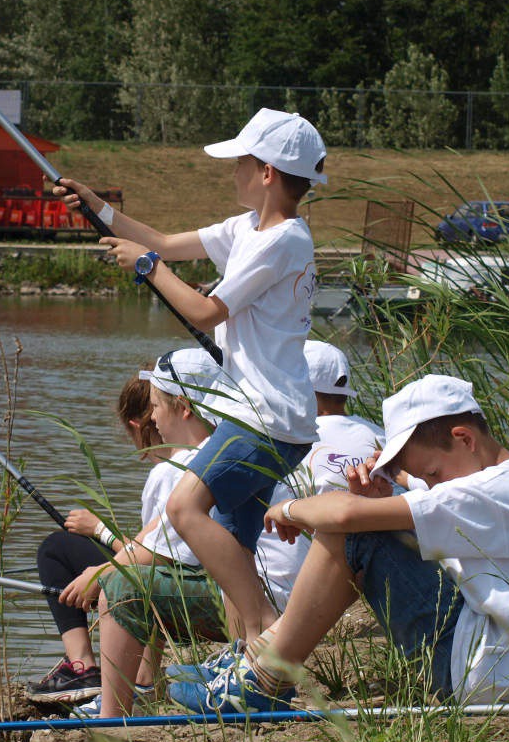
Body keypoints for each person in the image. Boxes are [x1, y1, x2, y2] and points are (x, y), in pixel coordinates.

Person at [54, 108, 327, 649]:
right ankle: (245, 655)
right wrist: (98, 206)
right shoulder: (247, 229)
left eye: (241, 164)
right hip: (264, 414)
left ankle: (262, 634)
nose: (233, 173)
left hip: (267, 417)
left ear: (267, 172)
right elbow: (162, 238)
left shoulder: (283, 241)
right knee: (232, 540)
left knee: (183, 507)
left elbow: (206, 313)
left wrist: (149, 267)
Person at [170, 374, 509, 715]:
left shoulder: (488, 491)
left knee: (357, 530)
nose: (435, 484)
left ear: (464, 438)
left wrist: (291, 509)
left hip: (479, 674)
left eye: (435, 473)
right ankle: (259, 662)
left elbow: (345, 517)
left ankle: (260, 678)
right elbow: (422, 503)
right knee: (367, 526)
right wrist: (389, 493)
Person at [171, 340, 385, 682]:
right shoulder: (380, 438)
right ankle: (248, 648)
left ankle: (247, 648)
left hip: (295, 595)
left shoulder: (286, 443)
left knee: (228, 523)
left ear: (299, 385)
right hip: (366, 577)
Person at [59, 349, 230, 718]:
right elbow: (158, 545)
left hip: (223, 604)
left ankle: (115, 710)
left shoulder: (178, 468)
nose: (151, 416)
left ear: (182, 407)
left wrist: (101, 571)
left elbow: (161, 553)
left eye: (155, 405)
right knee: (129, 575)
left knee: (121, 587)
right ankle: (139, 684)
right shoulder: (226, 448)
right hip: (242, 596)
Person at [25, 372, 163, 704]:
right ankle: (136, 677)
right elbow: (160, 545)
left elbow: (157, 556)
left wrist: (100, 532)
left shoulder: (168, 473)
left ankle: (88, 667)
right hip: (182, 572)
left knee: (55, 550)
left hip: (179, 584)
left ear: (135, 425)